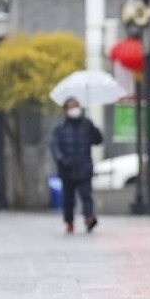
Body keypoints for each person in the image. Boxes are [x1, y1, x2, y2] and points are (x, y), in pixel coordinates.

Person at [50, 97, 104, 234]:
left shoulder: (86, 124)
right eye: (71, 107)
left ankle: (89, 218)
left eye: (77, 106)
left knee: (86, 196)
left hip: (84, 167)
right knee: (68, 198)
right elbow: (55, 146)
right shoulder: (60, 127)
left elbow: (97, 140)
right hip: (67, 168)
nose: (75, 109)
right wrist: (61, 159)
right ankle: (69, 221)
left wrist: (94, 129)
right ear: (65, 109)